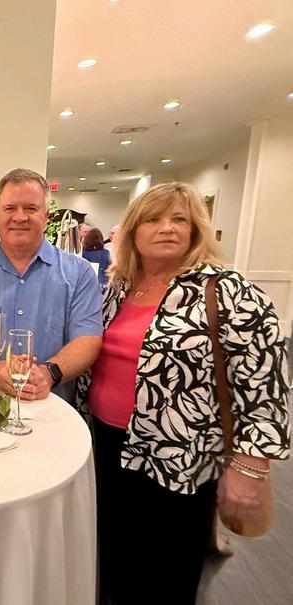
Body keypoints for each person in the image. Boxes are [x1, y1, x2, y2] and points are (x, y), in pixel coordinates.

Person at [75, 182, 290, 604]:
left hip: (181, 456)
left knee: (168, 571)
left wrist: (249, 467)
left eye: (180, 219)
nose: (167, 228)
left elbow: (265, 387)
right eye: (153, 219)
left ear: (196, 230)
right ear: (133, 231)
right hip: (108, 445)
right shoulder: (120, 286)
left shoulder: (227, 291)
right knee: (116, 559)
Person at [0, 168, 103, 402]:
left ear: (46, 216)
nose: (19, 217)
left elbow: (88, 340)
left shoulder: (80, 274)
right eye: (9, 208)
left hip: (52, 409)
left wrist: (49, 373)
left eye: (30, 208)